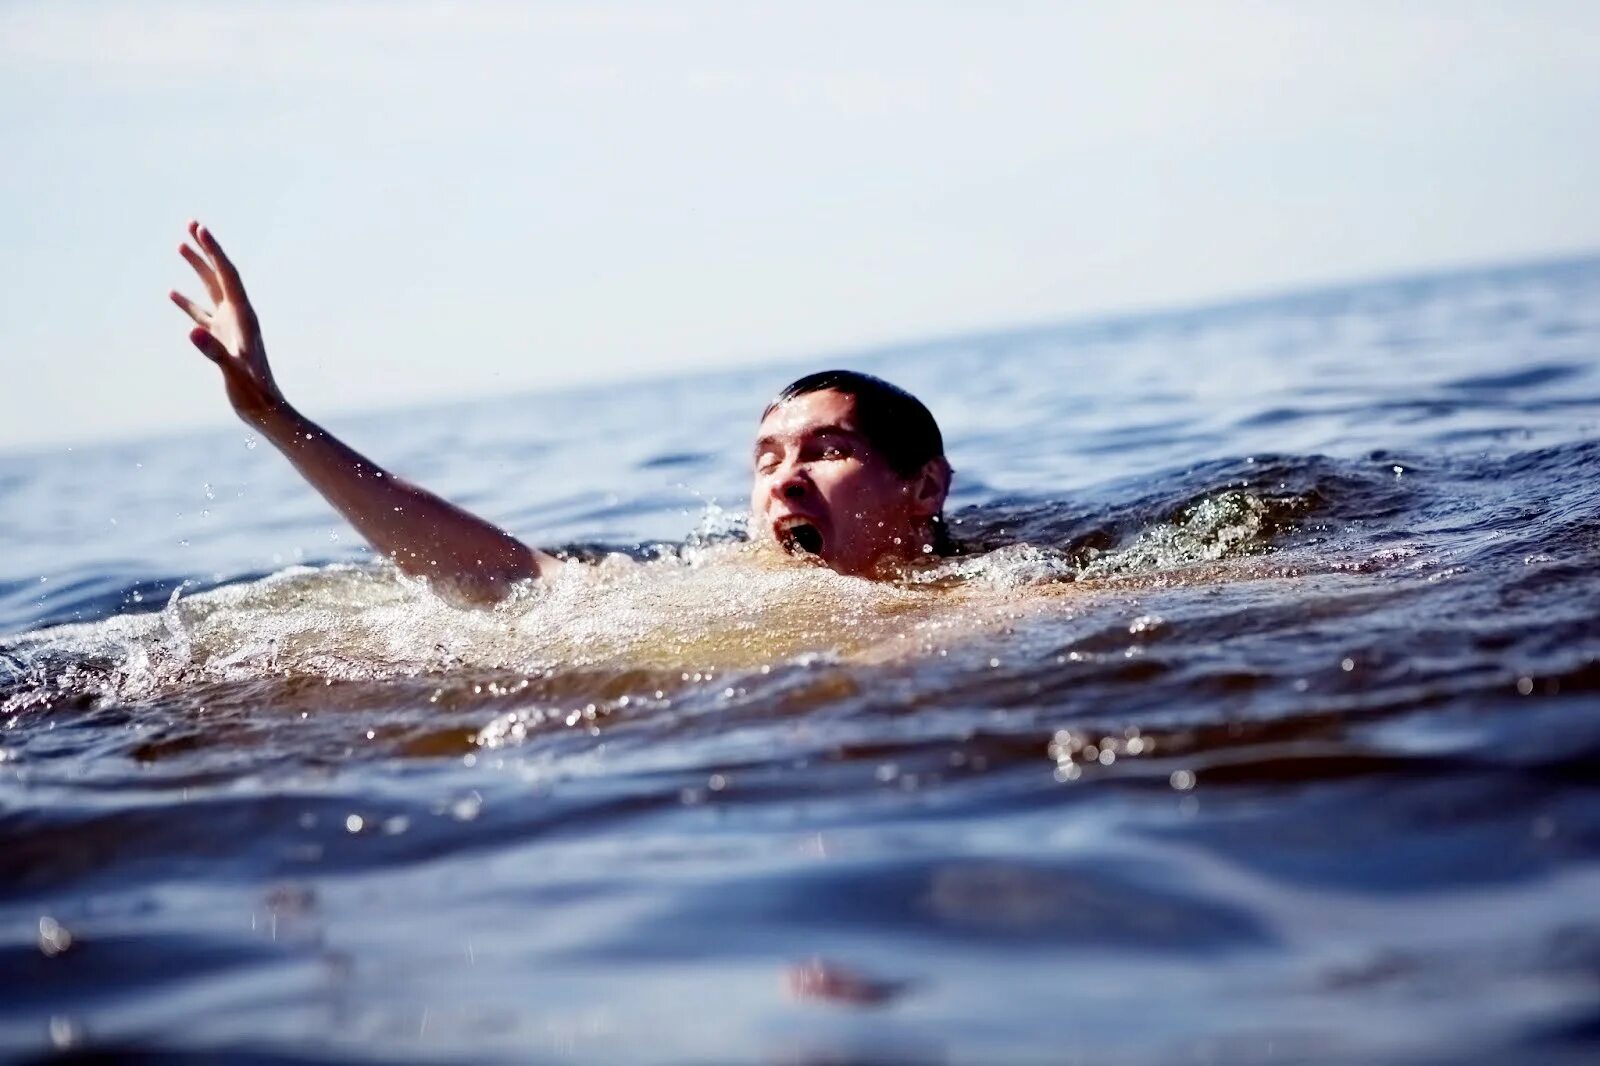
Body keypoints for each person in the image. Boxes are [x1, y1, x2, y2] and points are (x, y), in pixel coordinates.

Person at [169, 221, 954, 606]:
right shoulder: (702, 591)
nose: (783, 483)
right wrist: (278, 418)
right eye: (766, 460)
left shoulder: (996, 607)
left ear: (924, 488)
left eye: (826, 451)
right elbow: (504, 572)